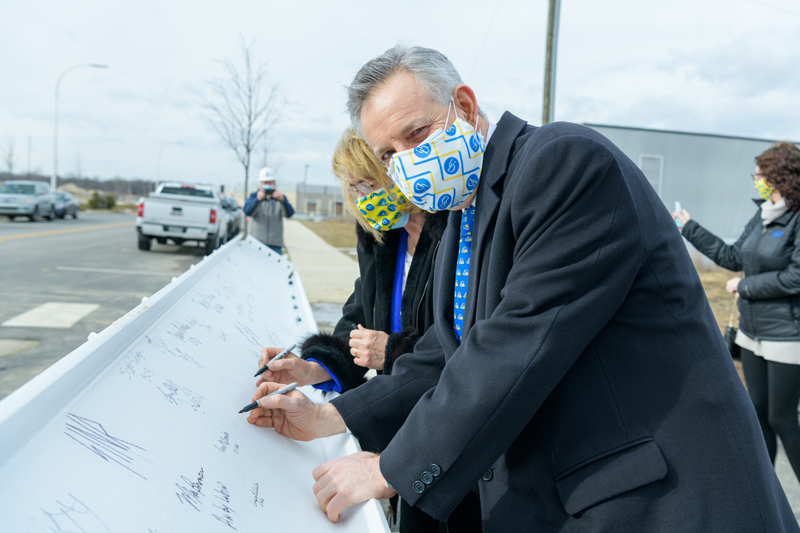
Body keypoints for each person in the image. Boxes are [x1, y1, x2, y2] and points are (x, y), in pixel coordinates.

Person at [247, 45, 798, 532]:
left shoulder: (562, 162)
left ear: (463, 106)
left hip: (664, 500)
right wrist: (333, 416)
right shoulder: (465, 215)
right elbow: (445, 354)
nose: (405, 163)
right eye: (389, 155)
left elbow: (515, 346)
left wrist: (389, 467)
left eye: (415, 135)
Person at [256, 129, 470, 532]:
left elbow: (456, 342)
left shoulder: (454, 235)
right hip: (393, 417)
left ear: (396, 171)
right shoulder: (379, 239)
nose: (363, 196)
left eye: (369, 182)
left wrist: (392, 352)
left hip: (447, 424)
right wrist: (314, 366)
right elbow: (357, 316)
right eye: (353, 187)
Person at [674, 142, 800, 483]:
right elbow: (732, 257)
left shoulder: (797, 219)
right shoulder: (761, 216)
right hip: (752, 332)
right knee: (758, 413)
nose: (756, 180)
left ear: (780, 176)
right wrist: (690, 228)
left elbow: (796, 277)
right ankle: (768, 491)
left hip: (787, 334)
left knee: (783, 419)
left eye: (761, 174)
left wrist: (743, 287)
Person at [243, 167, 294, 254]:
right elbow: (247, 211)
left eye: (270, 183)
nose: (268, 185)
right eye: (265, 183)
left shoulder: (280, 198)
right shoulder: (254, 196)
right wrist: (257, 200)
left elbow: (290, 214)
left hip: (275, 244)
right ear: (261, 184)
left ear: (274, 183)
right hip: (256, 242)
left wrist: (282, 200)